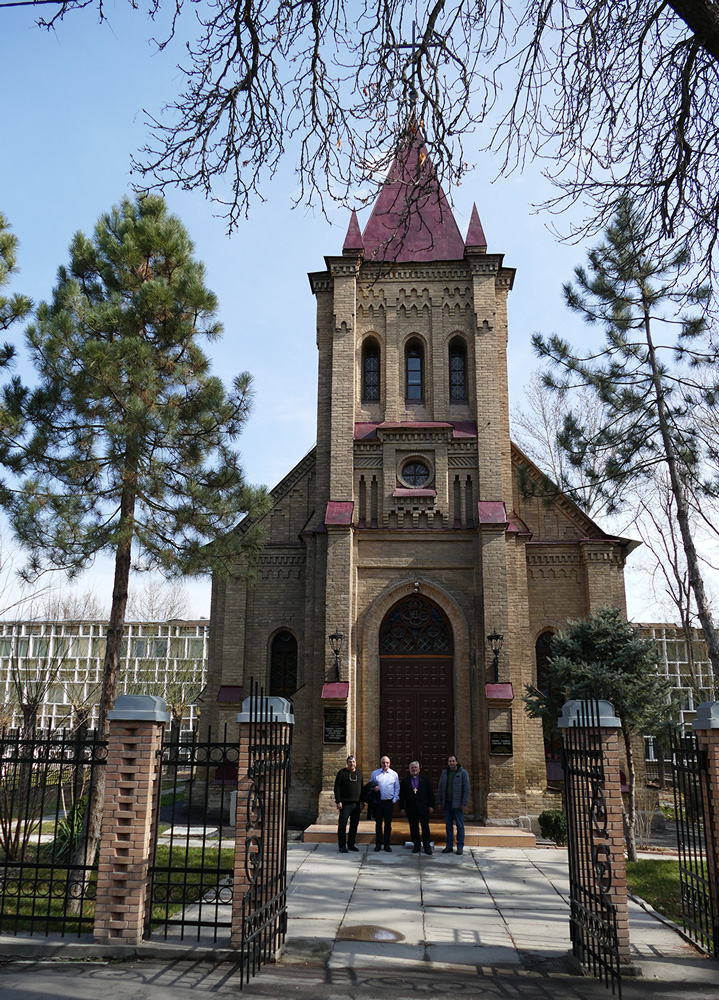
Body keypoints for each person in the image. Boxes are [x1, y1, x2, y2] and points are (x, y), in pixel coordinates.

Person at [399, 760, 435, 855]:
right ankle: (416, 845)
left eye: (415, 767)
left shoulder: (426, 780)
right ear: (409, 769)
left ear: (419, 769)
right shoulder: (405, 781)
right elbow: (402, 795)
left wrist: (431, 806)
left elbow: (430, 794)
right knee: (414, 828)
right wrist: (402, 807)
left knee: (425, 828)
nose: (414, 769)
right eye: (412, 768)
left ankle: (427, 846)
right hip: (411, 809)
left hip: (424, 808)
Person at [437, 754, 470, 855]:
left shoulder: (463, 773)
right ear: (448, 763)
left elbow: (467, 789)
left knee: (459, 825)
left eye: (453, 761)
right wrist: (440, 802)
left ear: (456, 762)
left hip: (458, 804)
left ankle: (460, 846)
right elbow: (440, 788)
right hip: (447, 803)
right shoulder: (445, 773)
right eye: (450, 761)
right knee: (448, 825)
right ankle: (449, 845)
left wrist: (464, 803)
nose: (451, 763)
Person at [369, 755, 399, 852]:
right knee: (378, 824)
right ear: (380, 763)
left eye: (387, 763)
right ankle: (378, 844)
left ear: (389, 763)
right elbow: (370, 784)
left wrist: (394, 799)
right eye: (383, 762)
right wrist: (373, 788)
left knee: (388, 824)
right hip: (378, 803)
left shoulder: (394, 774)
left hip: (389, 803)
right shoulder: (375, 773)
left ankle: (387, 844)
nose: (385, 764)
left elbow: (397, 788)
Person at [334, 754, 363, 853]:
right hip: (345, 803)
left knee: (354, 825)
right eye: (350, 762)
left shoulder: (359, 773)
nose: (352, 764)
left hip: (357, 804)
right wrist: (338, 801)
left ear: (356, 763)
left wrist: (362, 801)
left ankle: (351, 844)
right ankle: (342, 845)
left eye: (353, 762)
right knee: (342, 824)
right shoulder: (341, 773)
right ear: (347, 763)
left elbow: (361, 788)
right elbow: (337, 787)